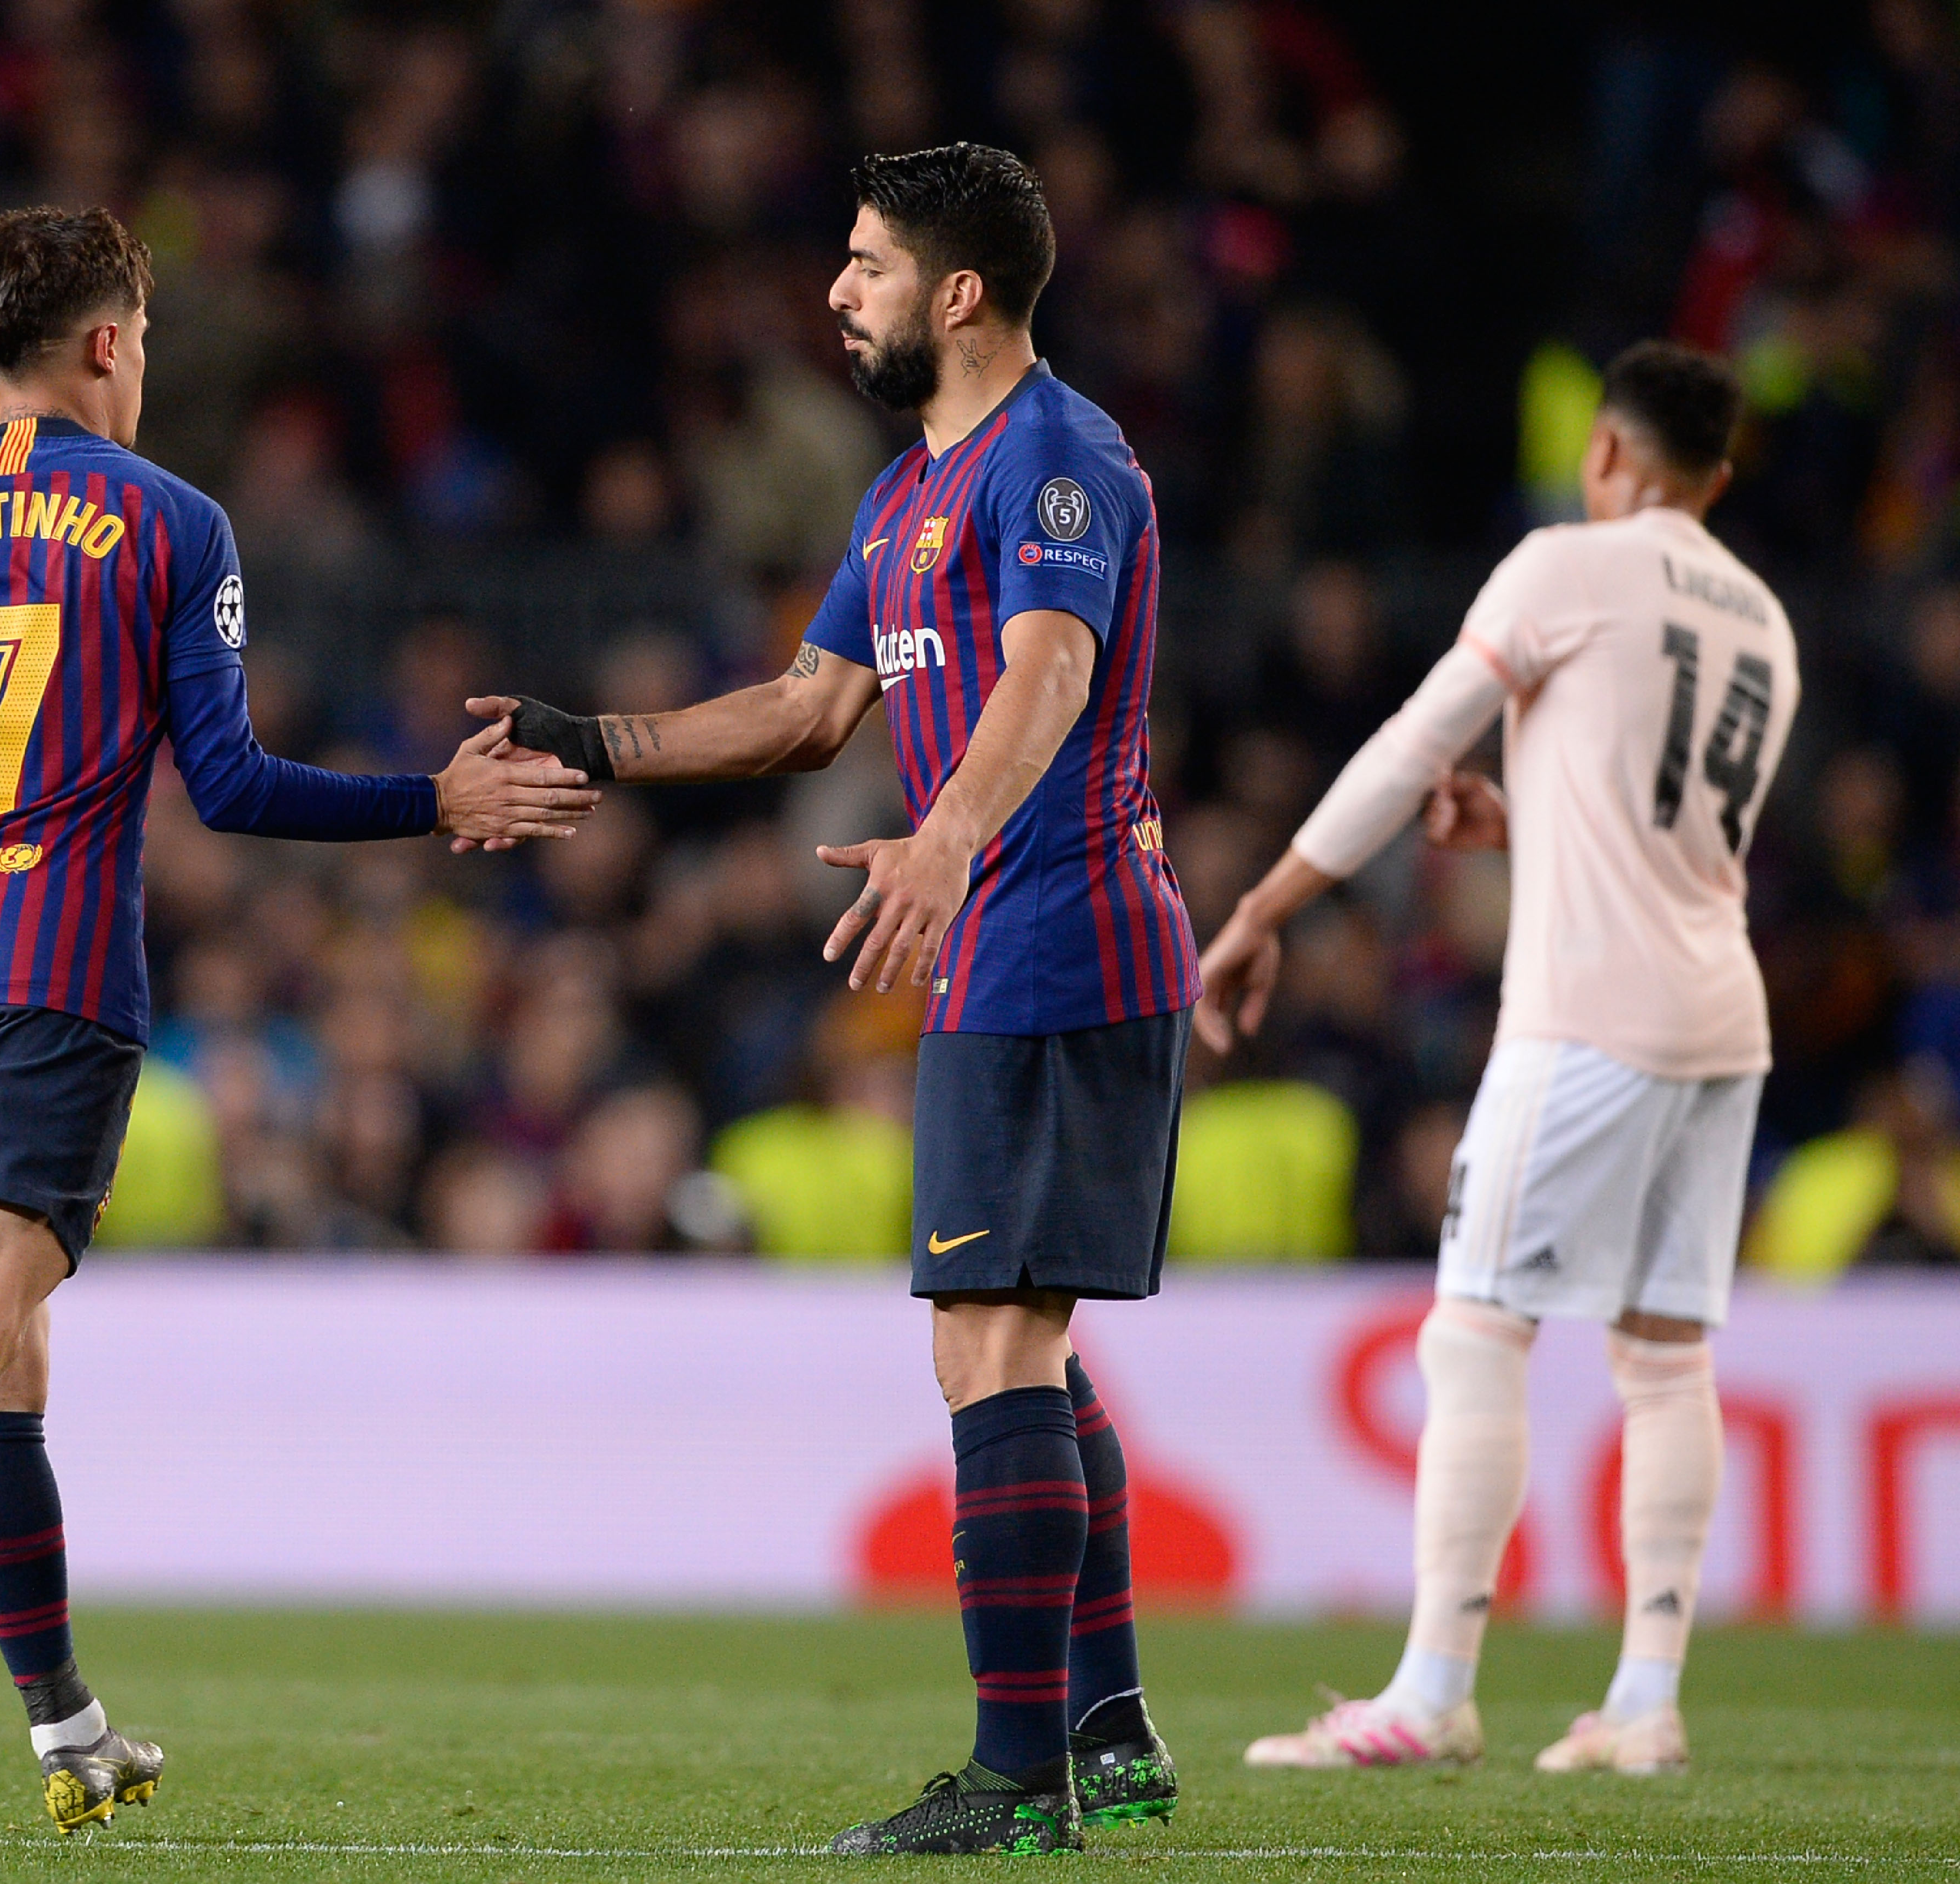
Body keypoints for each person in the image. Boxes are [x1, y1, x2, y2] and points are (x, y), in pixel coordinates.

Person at [0, 204, 596, 1835]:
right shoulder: (175, 521)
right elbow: (235, 787)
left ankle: (68, 1733)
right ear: (109, 341)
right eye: (148, 337)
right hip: (49, 964)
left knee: (6, 1357)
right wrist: (433, 797)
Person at [485, 143, 1192, 1856]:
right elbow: (808, 712)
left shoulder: (1058, 461)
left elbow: (1052, 671)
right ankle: (1105, 1728)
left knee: (993, 1345)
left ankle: (1017, 1779)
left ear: (959, 293)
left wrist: (947, 841)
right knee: (1010, 1345)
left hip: (1065, 941)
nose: (835, 289)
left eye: (867, 263)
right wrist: (597, 745)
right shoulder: (905, 501)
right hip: (997, 954)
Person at [1202, 341, 1793, 1777]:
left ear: (1604, 454)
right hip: (1723, 1017)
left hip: (1588, 1017)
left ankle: (1432, 1691)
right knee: (1665, 1363)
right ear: (1715, 481)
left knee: (1472, 1332)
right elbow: (1678, 833)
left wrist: (1264, 906)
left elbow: (1414, 745)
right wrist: (1525, 816)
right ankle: (1646, 1702)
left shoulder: (1563, 568)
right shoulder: (1765, 620)